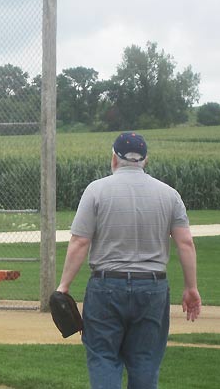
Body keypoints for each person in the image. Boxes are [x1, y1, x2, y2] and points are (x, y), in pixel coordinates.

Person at [57, 132, 201, 389]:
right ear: (145, 160)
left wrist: (64, 287)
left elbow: (80, 242)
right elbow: (185, 242)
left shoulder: (96, 190)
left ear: (114, 158)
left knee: (103, 357)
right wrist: (191, 288)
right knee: (145, 360)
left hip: (106, 286)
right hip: (152, 287)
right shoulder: (169, 194)